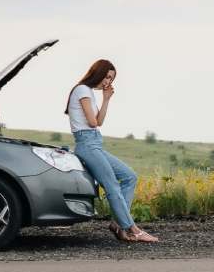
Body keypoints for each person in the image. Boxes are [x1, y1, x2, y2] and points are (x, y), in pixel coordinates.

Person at [65, 59, 159, 243]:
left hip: (95, 143)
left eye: (111, 79)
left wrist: (106, 99)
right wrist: (100, 104)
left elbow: (99, 122)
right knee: (112, 185)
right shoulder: (82, 89)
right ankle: (133, 229)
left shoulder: (89, 92)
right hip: (87, 144)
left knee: (129, 176)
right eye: (107, 77)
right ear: (98, 72)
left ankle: (118, 224)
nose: (108, 82)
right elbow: (92, 122)